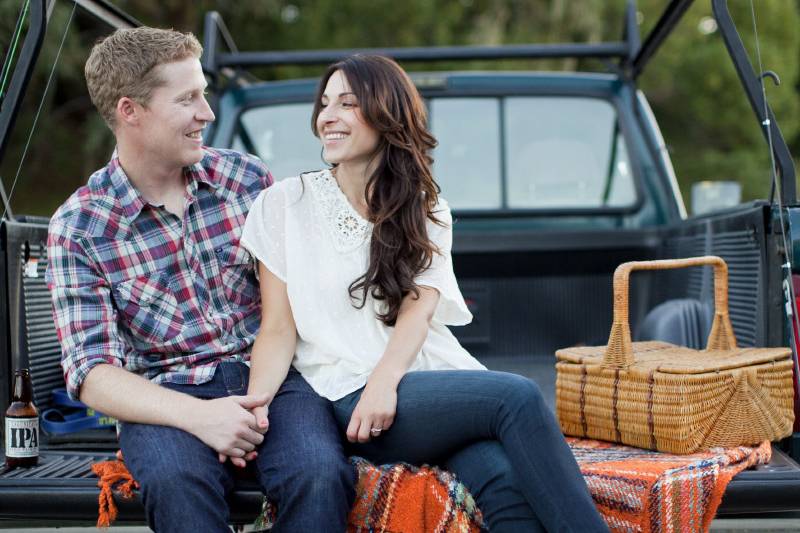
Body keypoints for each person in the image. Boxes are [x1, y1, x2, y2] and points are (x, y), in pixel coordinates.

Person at [241, 54, 608, 532]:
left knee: (504, 484)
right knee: (516, 397)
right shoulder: (283, 204)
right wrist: (254, 412)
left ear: (385, 113)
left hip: (419, 382)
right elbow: (277, 328)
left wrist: (385, 382)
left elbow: (420, 305)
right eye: (325, 103)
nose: (327, 117)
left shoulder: (424, 206)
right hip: (350, 393)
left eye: (347, 103)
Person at [46, 27, 355, 532]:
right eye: (188, 99)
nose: (206, 114)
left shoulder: (246, 180)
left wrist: (252, 405)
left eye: (204, 96)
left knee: (320, 474)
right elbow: (91, 373)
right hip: (166, 396)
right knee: (177, 487)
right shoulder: (80, 226)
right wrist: (202, 419)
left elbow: (295, 304)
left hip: (274, 379)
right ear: (131, 111)